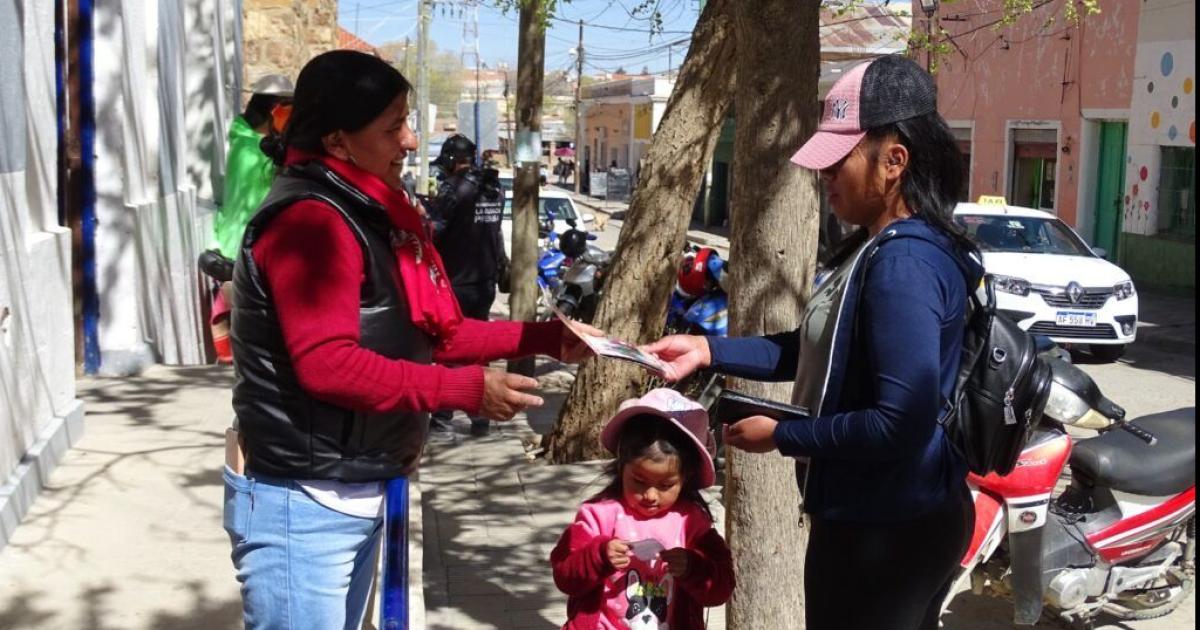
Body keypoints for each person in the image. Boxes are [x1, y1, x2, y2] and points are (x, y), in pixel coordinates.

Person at [223, 50, 594, 630]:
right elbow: (329, 366)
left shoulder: (371, 213)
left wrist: (549, 337)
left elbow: (429, 335)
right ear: (338, 141)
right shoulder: (313, 221)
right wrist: (466, 391)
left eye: (407, 121)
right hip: (306, 502)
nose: (410, 140)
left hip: (353, 486)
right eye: (393, 125)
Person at [644, 55, 982, 630]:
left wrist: (784, 436)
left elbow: (902, 420)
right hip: (889, 519)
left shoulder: (903, 262)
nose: (824, 177)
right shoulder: (889, 246)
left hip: (885, 535)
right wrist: (708, 350)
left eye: (837, 163)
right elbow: (815, 350)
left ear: (893, 161)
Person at [550, 389, 734, 629]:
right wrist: (598, 556)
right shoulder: (598, 516)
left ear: (686, 477)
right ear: (621, 467)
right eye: (639, 481)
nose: (650, 495)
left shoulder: (692, 522)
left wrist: (692, 567)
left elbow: (721, 588)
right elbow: (565, 575)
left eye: (666, 485)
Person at [200, 74, 294, 362]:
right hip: (247, 246)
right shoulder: (259, 152)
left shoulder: (244, 140)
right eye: (289, 109)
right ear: (275, 109)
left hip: (234, 242)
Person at [427, 134, 508, 437]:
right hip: (486, 282)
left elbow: (433, 229)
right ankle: (481, 417)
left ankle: (442, 420)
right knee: (479, 348)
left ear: (450, 160)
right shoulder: (492, 187)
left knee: (450, 348)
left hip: (456, 282)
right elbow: (495, 232)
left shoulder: (456, 190)